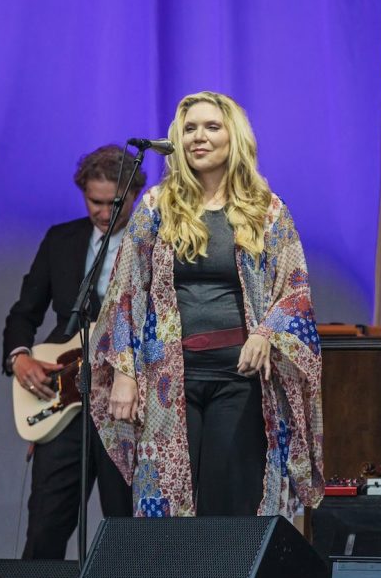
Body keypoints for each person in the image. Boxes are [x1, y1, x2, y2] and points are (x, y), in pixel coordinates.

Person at [89, 91, 324, 518]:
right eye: (190, 128)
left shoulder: (266, 212)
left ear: (233, 137)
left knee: (228, 503)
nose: (199, 137)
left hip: (238, 377)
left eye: (211, 127)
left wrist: (267, 333)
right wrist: (124, 371)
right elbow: (126, 292)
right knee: (166, 504)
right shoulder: (156, 207)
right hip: (167, 378)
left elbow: (296, 291)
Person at [2, 145, 141, 558]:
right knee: (45, 527)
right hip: (66, 402)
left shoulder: (154, 244)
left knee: (125, 530)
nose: (103, 212)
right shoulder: (61, 240)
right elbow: (23, 313)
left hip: (126, 407)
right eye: (94, 202)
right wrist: (20, 357)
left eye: (114, 203)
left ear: (135, 193)